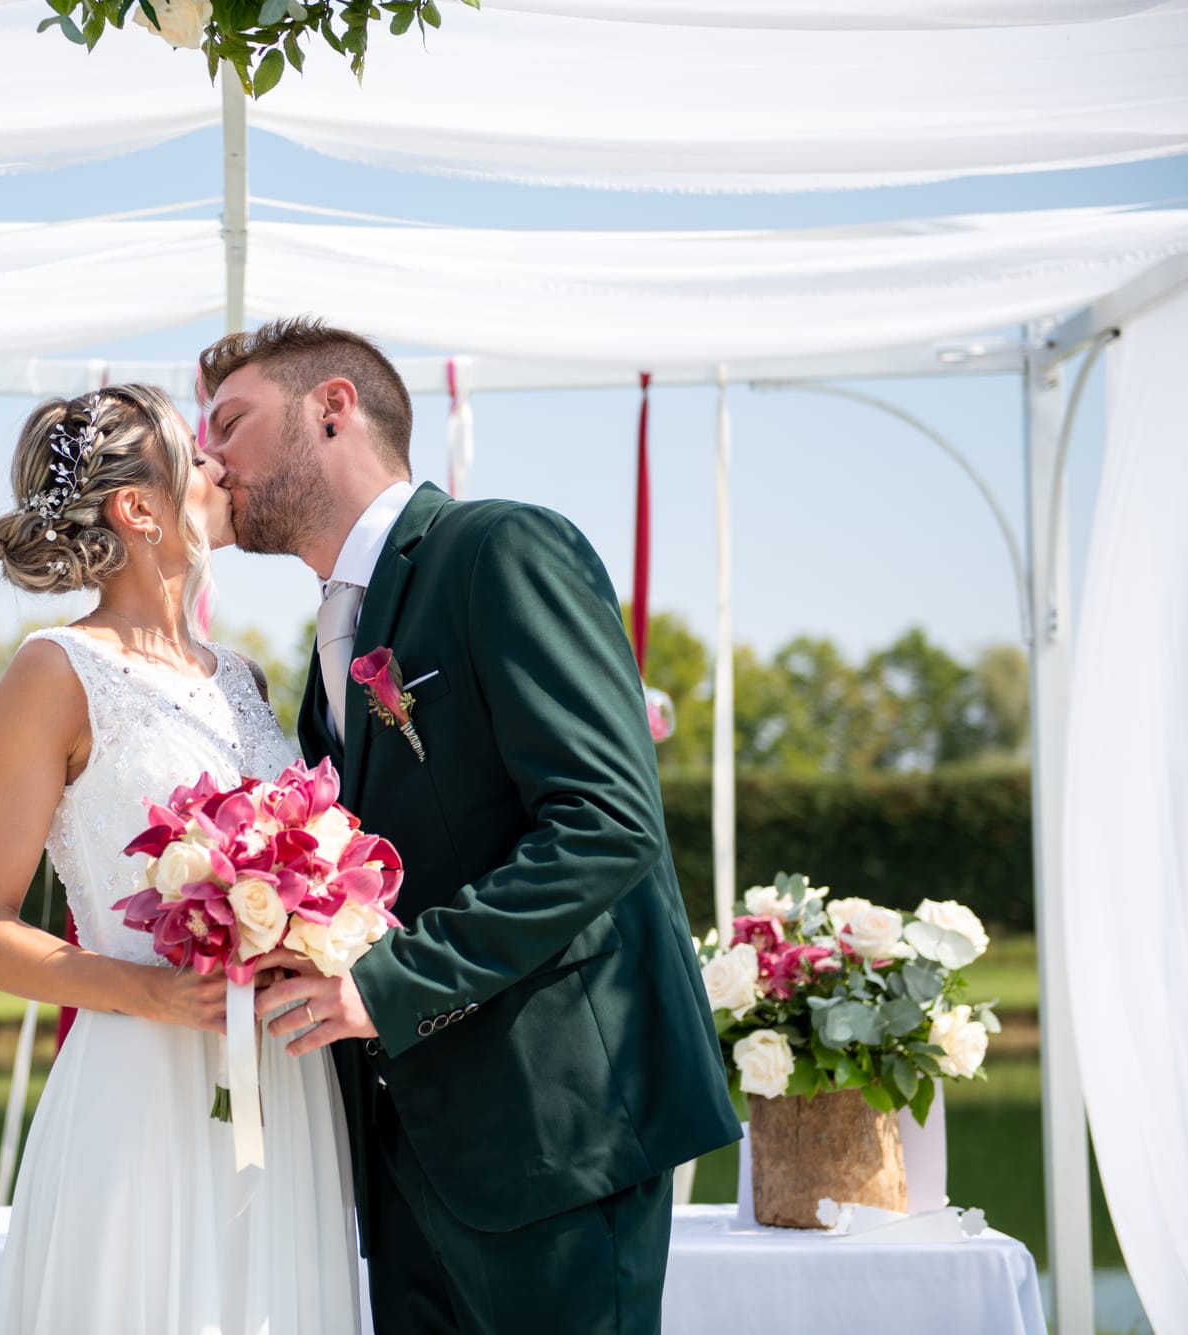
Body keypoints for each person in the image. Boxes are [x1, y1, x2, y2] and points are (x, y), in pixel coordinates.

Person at [202, 318, 742, 1335]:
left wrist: (387, 985)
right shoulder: (331, 635)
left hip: (554, 1133)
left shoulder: (498, 548)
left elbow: (605, 822)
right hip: (405, 1150)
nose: (207, 457)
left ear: (331, 410)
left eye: (230, 423)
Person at [0, 383, 362, 1335]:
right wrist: (154, 994)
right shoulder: (51, 672)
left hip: (284, 1082)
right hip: (140, 1086)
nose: (218, 466)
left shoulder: (247, 676)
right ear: (139, 508)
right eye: (195, 454)